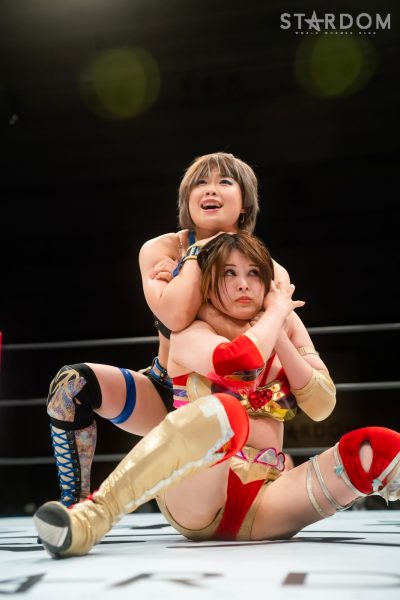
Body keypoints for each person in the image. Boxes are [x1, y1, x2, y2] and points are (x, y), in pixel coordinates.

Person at [34, 232, 400, 557]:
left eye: (253, 273)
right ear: (209, 284)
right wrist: (277, 314)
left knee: (379, 447)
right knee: (226, 412)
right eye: (229, 274)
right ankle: (91, 517)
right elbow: (238, 361)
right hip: (197, 498)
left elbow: (322, 404)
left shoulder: (282, 329)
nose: (243, 284)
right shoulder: (189, 333)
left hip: (266, 499)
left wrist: (283, 338)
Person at [46, 152, 291, 507]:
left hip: (231, 404)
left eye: (224, 182)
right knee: (71, 385)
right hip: (165, 392)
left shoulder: (268, 270)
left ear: (245, 204)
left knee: (242, 501)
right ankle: (74, 504)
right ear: (187, 199)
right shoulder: (160, 249)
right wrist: (195, 255)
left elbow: (251, 347)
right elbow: (176, 317)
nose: (210, 189)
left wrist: (185, 277)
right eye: (201, 183)